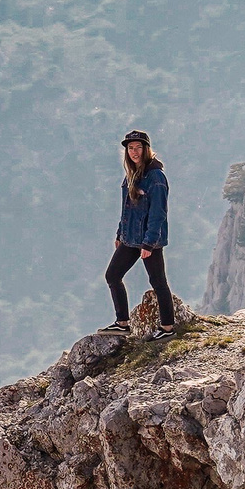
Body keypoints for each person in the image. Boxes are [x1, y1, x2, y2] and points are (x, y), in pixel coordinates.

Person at [103, 129, 178, 340]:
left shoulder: (155, 176)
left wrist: (149, 243)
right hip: (130, 238)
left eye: (138, 147)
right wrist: (120, 233)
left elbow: (158, 213)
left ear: (146, 149)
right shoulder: (131, 175)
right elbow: (126, 209)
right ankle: (122, 323)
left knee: (158, 281)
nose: (134, 152)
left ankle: (167, 328)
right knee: (113, 275)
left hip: (147, 241)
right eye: (130, 148)